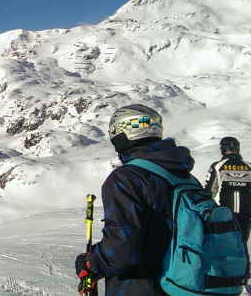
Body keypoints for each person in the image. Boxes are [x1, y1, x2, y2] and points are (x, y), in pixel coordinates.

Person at [75, 104, 196, 295]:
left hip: (142, 287)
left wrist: (91, 263)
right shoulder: (184, 175)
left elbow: (122, 250)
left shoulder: (126, 178)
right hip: (185, 284)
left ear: (123, 133)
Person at [206, 136, 251, 242]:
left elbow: (208, 191)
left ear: (222, 149)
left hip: (224, 213)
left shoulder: (217, 166)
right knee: (242, 244)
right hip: (246, 213)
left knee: (226, 246)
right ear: (238, 148)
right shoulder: (249, 166)